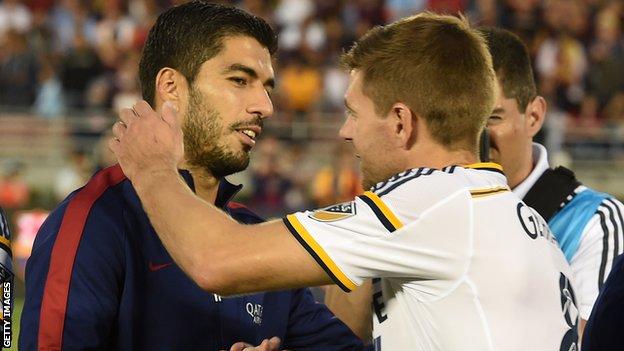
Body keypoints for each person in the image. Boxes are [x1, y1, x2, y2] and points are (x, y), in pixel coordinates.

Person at [111, 13, 580, 350]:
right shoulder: (520, 221)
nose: (345, 131)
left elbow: (217, 262)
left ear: (401, 123)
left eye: (354, 113)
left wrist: (152, 168)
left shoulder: (428, 203)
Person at [19, 3, 363, 351]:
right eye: (240, 80)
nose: (265, 106)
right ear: (171, 86)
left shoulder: (254, 238)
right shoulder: (94, 221)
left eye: (267, 87)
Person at [481, 27, 624, 336]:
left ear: (533, 116)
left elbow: (591, 343)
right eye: (465, 121)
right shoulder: (430, 206)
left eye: (492, 118)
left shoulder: (591, 221)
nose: (477, 138)